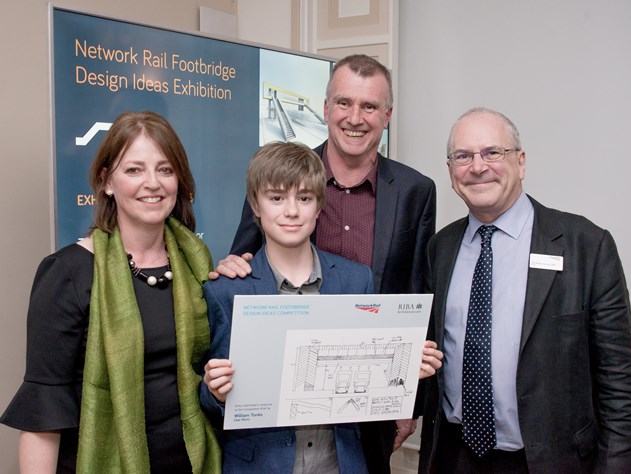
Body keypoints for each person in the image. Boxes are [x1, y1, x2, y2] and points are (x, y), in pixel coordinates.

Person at [215, 53, 437, 473]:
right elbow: (246, 256)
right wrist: (230, 265)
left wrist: (407, 400)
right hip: (276, 402)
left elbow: (417, 290)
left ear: (387, 115)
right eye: (344, 103)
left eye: (369, 106)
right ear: (325, 108)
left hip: (367, 399)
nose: (356, 117)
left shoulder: (415, 190)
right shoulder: (285, 179)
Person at [417, 107, 631, 473]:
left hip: (547, 462)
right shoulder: (440, 249)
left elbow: (621, 388)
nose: (477, 166)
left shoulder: (585, 246)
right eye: (463, 156)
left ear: (520, 162)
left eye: (492, 152)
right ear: (450, 172)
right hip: (454, 457)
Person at [0, 111, 221, 473]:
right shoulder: (68, 273)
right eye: (134, 170)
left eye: (165, 170)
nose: (152, 183)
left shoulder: (198, 266)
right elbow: (43, 412)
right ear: (106, 182)